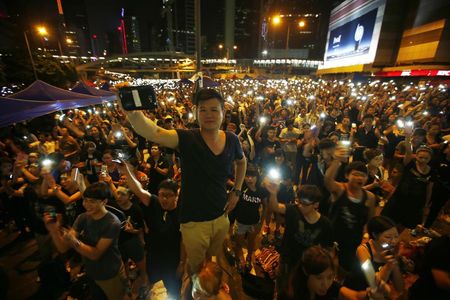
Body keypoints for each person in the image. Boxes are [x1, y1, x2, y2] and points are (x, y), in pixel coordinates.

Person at [123, 88, 246, 274]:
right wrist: (133, 113)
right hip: (194, 220)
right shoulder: (187, 138)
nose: (208, 115)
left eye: (214, 110)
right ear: (196, 112)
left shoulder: (231, 139)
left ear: (223, 112)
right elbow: (154, 132)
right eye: (203, 109)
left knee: (211, 255)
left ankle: (209, 281)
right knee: (196, 266)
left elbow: (242, 161)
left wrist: (236, 191)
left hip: (221, 215)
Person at [44, 182, 127, 300]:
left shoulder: (112, 223)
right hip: (92, 272)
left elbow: (95, 254)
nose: (87, 205)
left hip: (110, 273)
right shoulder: (83, 217)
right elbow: (63, 247)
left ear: (104, 201)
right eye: (85, 200)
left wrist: (74, 241)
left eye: (92, 201)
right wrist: (53, 230)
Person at [119, 161, 185, 298]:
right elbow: (138, 190)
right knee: (154, 286)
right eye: (162, 194)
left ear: (176, 195)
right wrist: (126, 171)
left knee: (172, 288)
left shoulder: (182, 211)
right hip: (154, 255)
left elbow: (183, 240)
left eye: (169, 195)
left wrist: (182, 263)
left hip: (172, 258)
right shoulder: (154, 202)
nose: (164, 199)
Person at [266, 181, 334, 297]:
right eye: (298, 201)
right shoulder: (293, 210)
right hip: (287, 260)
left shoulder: (325, 224)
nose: (300, 206)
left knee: (298, 290)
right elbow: (275, 206)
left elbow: (327, 248)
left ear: (316, 204)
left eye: (305, 203)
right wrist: (273, 193)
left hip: (306, 266)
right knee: (282, 287)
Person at [324, 146, 377, 271]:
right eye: (355, 174)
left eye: (363, 175)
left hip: (354, 240)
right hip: (333, 236)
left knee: (347, 268)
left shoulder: (370, 197)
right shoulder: (340, 189)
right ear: (347, 175)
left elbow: (370, 221)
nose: (359, 178)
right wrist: (337, 160)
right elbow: (327, 180)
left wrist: (366, 238)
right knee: (329, 266)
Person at [285, 245, 389, 300]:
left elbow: (355, 296)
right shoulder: (290, 294)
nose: (325, 284)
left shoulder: (330, 288)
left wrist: (370, 293)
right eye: (319, 278)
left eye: (330, 277)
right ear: (305, 272)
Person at [382, 129, 435, 229]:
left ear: (430, 159)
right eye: (420, 157)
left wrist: (426, 204)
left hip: (415, 203)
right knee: (388, 221)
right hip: (400, 198)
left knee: (404, 224)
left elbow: (429, 189)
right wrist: (407, 137)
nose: (423, 160)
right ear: (416, 157)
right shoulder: (410, 165)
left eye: (426, 158)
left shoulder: (431, 172)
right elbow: (408, 153)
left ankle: (394, 239)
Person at [345, 216, 403, 294]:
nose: (393, 241)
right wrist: (388, 266)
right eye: (388, 237)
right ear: (375, 235)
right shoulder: (363, 250)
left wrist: (394, 262)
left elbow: (399, 288)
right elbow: (373, 283)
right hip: (356, 293)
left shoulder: (391, 251)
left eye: (396, 236)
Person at [232, 164, 268, 273]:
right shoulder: (241, 186)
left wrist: (261, 223)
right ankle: (238, 259)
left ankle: (248, 258)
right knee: (238, 243)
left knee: (251, 242)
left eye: (253, 176)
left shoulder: (262, 190)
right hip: (241, 221)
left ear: (257, 177)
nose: (250, 179)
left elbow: (266, 206)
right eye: (247, 176)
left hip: (253, 222)